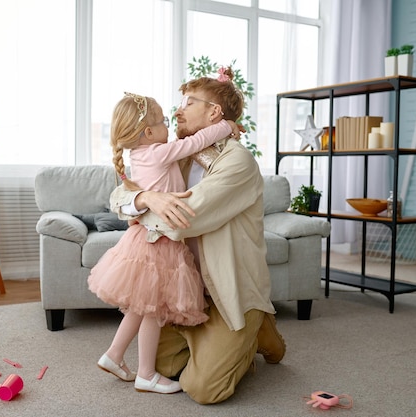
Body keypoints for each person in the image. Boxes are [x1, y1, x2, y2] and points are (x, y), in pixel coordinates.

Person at [109, 67, 286, 404]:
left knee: (205, 389)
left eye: (188, 102)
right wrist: (143, 198)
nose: (177, 110)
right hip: (188, 288)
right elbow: (118, 196)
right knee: (159, 363)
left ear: (214, 112)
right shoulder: (178, 152)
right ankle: (221, 341)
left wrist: (147, 204)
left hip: (226, 290)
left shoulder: (238, 163)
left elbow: (181, 220)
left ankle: (258, 328)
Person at [88, 92, 240, 394]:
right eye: (163, 122)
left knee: (142, 307)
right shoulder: (157, 152)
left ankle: (115, 355)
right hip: (159, 242)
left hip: (145, 239)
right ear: (148, 132)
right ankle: (145, 373)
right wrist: (227, 126)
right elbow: (195, 143)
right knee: (153, 310)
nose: (168, 126)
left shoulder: (140, 154)